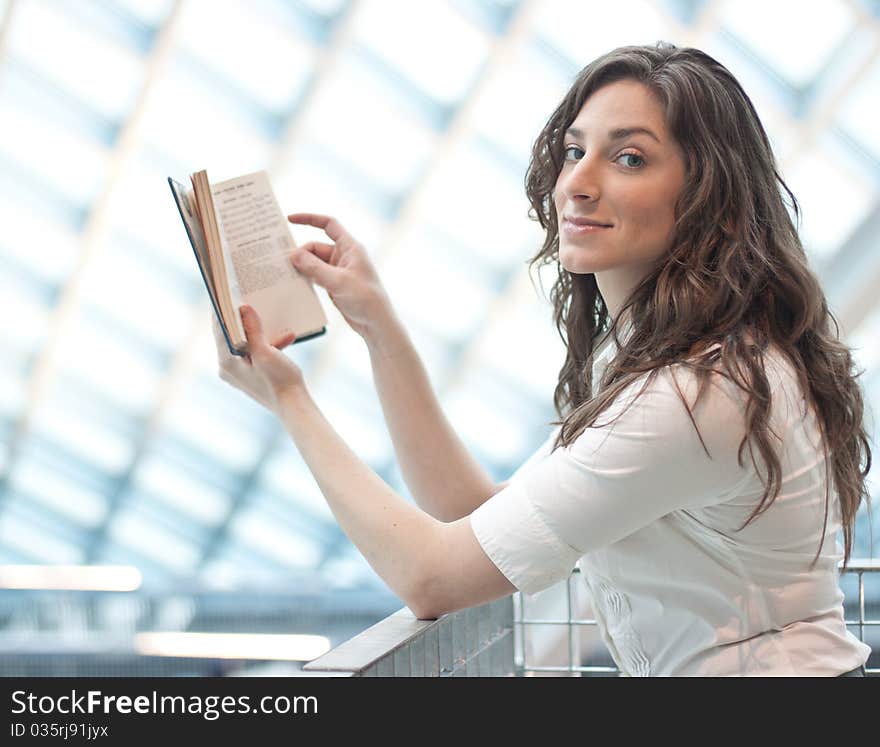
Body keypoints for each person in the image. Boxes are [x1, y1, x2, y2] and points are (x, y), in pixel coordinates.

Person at [213, 42, 873, 677]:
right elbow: (467, 510)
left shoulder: (697, 393)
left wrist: (289, 400)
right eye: (574, 151)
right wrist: (379, 327)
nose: (577, 183)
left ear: (716, 203)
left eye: (630, 159)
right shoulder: (666, 359)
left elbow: (431, 577)